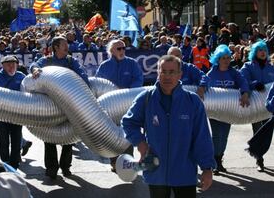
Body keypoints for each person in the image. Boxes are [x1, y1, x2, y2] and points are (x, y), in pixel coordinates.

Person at [122, 55, 214, 198]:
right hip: (156, 173)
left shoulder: (192, 101)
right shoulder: (146, 98)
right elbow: (128, 122)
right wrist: (140, 142)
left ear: (180, 74)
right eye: (163, 71)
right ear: (158, 73)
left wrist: (207, 168)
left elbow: (202, 137)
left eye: (171, 72)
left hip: (185, 174)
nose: (167, 76)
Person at [30, 36, 89, 179]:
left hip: (69, 104)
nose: (67, 46)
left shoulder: (70, 61)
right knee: (49, 137)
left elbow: (82, 73)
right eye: (64, 44)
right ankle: (51, 168)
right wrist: (35, 70)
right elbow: (33, 65)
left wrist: (84, 86)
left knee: (69, 137)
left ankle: (65, 166)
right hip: (50, 104)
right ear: (56, 47)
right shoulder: (46, 60)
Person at [95, 39, 144, 172]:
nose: (123, 51)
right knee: (113, 134)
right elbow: (98, 83)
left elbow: (139, 79)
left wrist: (128, 93)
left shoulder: (132, 63)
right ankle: (115, 161)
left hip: (128, 104)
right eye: (119, 49)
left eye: (123, 48)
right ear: (111, 51)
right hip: (111, 107)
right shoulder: (104, 66)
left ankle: (127, 162)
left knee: (127, 132)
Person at [206, 44, 250, 175]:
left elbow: (243, 83)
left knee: (224, 136)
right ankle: (214, 162)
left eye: (228, 57)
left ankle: (219, 159)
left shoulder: (234, 72)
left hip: (229, 111)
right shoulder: (211, 73)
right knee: (216, 136)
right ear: (217, 59)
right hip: (215, 111)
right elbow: (204, 84)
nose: (226, 60)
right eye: (223, 58)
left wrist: (245, 93)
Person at [240, 40, 274, 172]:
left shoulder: (271, 68)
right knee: (258, 132)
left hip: (270, 107)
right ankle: (259, 159)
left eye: (265, 50)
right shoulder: (248, 66)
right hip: (255, 106)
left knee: (268, 134)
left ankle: (260, 156)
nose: (263, 52)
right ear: (255, 52)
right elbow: (242, 80)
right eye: (260, 50)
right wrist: (254, 84)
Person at [0, 55, 25, 169]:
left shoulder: (21, 76)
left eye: (13, 64)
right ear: (3, 66)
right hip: (1, 114)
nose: (11, 67)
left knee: (16, 140)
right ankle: (5, 162)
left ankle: (14, 165)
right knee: (4, 140)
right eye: (8, 64)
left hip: (17, 113)